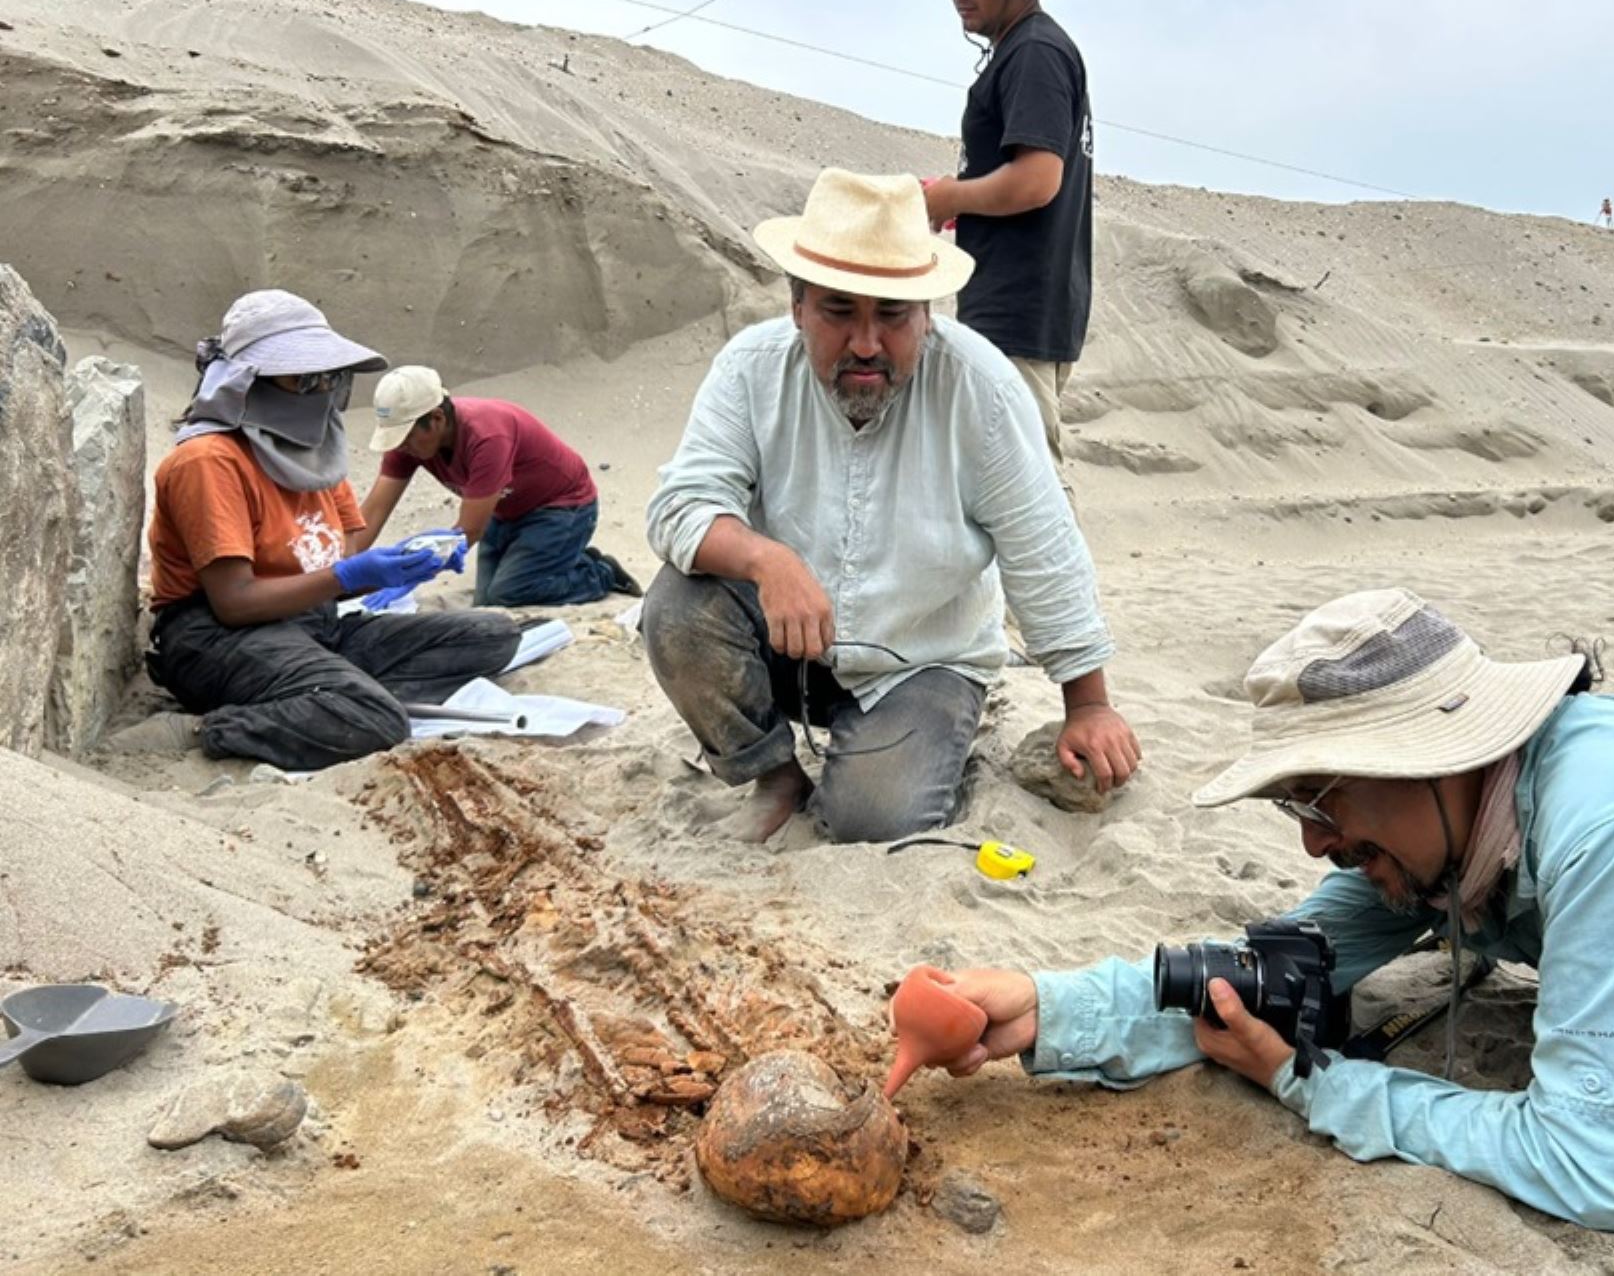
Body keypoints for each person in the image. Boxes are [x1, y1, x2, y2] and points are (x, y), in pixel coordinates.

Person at [928, 589, 1614, 1230]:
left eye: (1321, 798)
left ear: (1431, 755)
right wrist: (1050, 1008)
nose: (1315, 844)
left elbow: (1600, 1168)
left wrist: (1310, 1083)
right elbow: (1268, 981)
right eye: (1297, 808)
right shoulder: (1450, 830)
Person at [642, 168, 1140, 844]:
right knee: (676, 608)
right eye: (839, 311)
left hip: (923, 660)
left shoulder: (980, 388)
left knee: (872, 820)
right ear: (797, 307)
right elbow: (680, 506)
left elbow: (1042, 548)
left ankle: (936, 737)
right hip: (790, 645)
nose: (867, 343)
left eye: (893, 315)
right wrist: (768, 561)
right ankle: (775, 772)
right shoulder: (750, 369)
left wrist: (1089, 706)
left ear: (927, 313)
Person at [108, 291, 522, 771]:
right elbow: (235, 601)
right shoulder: (210, 460)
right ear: (251, 382)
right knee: (377, 719)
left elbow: (337, 565)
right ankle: (209, 727)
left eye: (329, 376)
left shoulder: (315, 455)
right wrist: (349, 577)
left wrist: (405, 564)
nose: (323, 389)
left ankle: (316, 691)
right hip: (218, 636)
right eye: (306, 378)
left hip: (309, 624)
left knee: (493, 636)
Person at [918, 0, 1093, 486]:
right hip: (1018, 302)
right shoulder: (1024, 50)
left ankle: (1064, 580)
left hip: (1019, 308)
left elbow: (1038, 180)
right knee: (999, 480)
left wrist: (949, 196)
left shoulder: (1035, 51)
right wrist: (962, 198)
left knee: (1030, 483)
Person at [359, 365, 640, 608]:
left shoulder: (487, 436)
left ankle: (599, 573)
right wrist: (341, 571)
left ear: (436, 419)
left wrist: (409, 575)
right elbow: (371, 515)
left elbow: (468, 531)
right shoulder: (406, 442)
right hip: (504, 510)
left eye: (405, 436)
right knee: (486, 601)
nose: (400, 446)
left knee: (509, 593)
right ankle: (558, 561)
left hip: (562, 508)